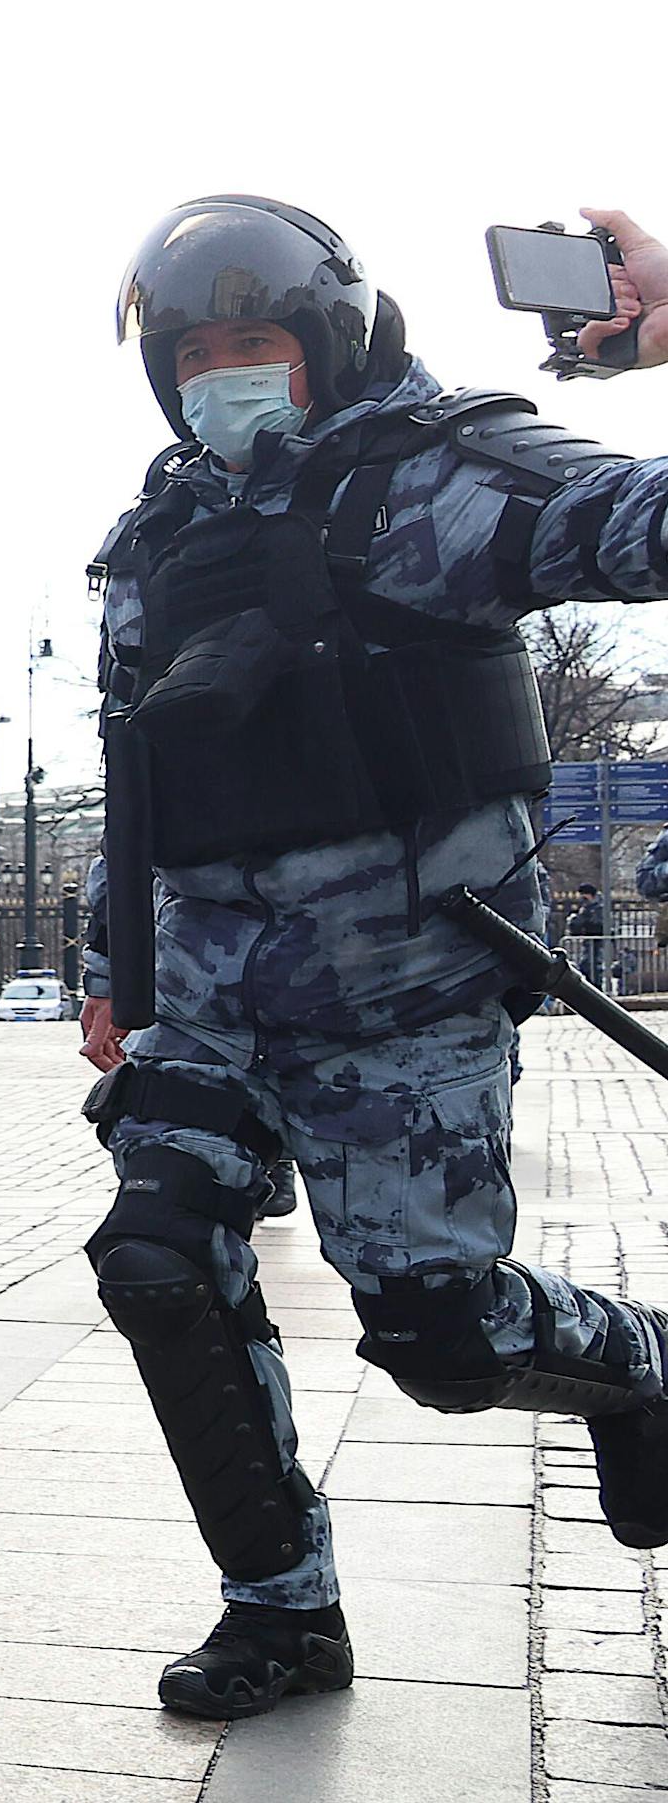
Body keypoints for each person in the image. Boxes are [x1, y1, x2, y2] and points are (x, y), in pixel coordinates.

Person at [80, 196, 668, 1720]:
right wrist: (110, 963)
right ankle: (282, 1613)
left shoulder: (447, 478)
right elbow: (132, 779)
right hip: (207, 998)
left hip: (406, 991)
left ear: (327, 345)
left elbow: (646, 523)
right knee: (157, 1260)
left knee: (442, 1333)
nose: (223, 374)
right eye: (195, 351)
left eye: (254, 343)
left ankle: (643, 1367)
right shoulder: (160, 535)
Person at [565, 882, 607, 988]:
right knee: (586, 965)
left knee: (595, 966)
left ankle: (596, 987)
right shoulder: (587, 906)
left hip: (598, 940)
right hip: (589, 940)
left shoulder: (598, 906)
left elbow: (596, 922)